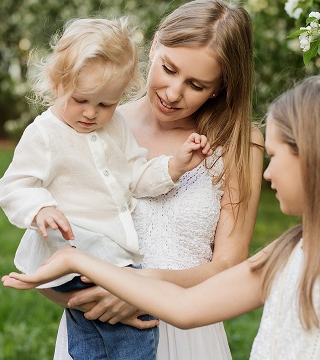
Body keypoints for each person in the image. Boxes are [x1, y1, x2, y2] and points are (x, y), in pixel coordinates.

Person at [3, 74, 320, 359]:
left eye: (275, 157)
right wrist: (78, 260)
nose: (267, 172)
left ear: (319, 160)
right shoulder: (291, 249)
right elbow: (187, 306)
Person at [33, 1, 263, 359]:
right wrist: (86, 296)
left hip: (189, 331)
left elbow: (229, 266)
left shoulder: (238, 143)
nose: (173, 93)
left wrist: (140, 287)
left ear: (220, 88)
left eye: (196, 85)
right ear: (154, 46)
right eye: (169, 69)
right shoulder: (92, 127)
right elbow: (48, 248)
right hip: (101, 327)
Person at [0, 17, 212, 360]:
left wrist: (175, 167)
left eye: (105, 104)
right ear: (57, 83)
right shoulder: (45, 133)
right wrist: (40, 208)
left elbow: (137, 179)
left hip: (108, 256)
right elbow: (15, 185)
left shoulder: (116, 127)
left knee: (93, 336)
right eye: (81, 100)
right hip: (77, 250)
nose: (91, 114)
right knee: (135, 332)